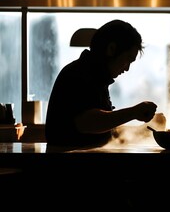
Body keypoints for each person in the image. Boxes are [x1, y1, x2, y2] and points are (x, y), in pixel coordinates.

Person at [45, 19, 157, 152]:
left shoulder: (94, 76)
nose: (127, 68)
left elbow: (103, 129)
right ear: (111, 49)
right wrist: (134, 112)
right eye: (127, 59)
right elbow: (87, 122)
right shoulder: (80, 73)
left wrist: (145, 131)